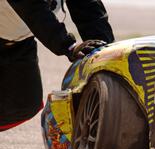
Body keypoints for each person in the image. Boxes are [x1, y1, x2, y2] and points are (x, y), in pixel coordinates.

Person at [0, 0, 114, 131]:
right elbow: (32, 8)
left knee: (24, 106)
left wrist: (105, 51)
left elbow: (88, 8)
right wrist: (68, 46)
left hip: (18, 43)